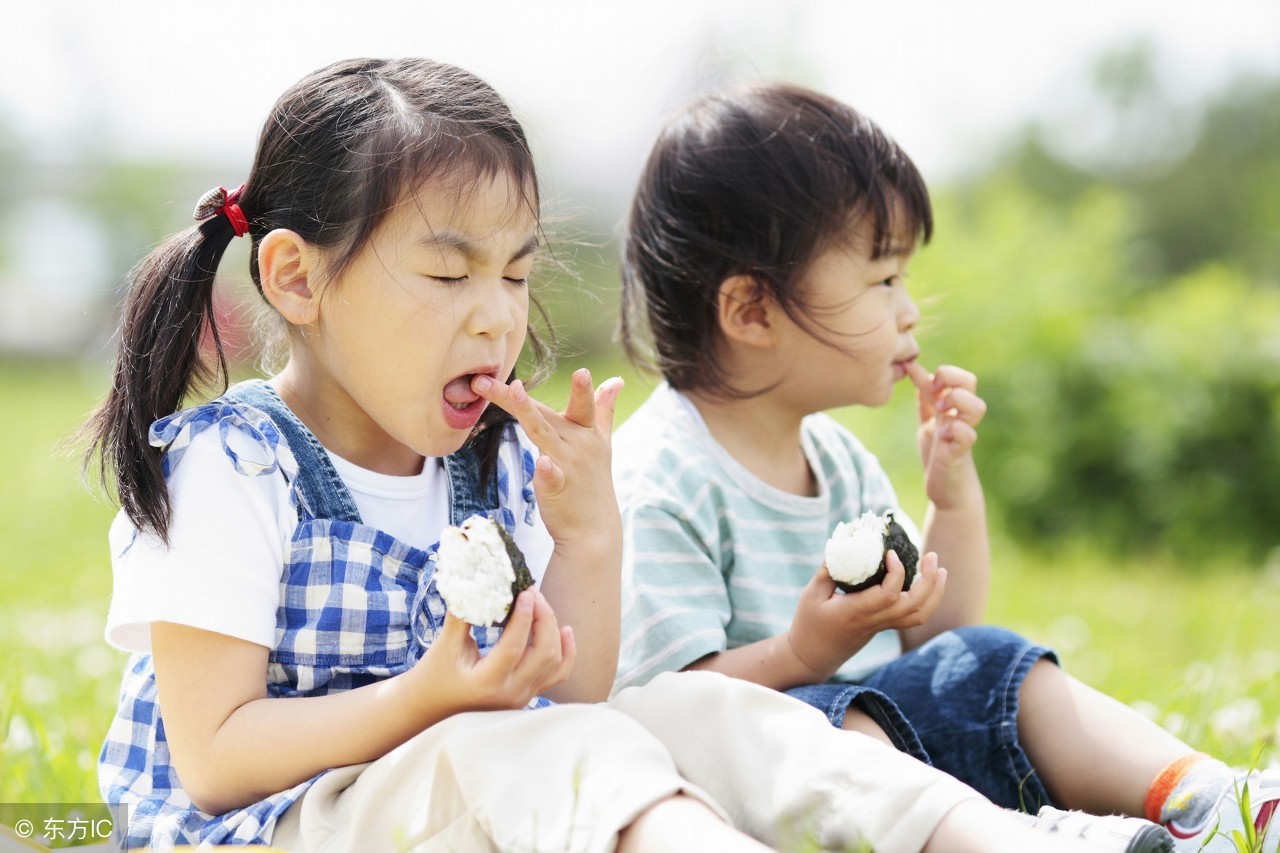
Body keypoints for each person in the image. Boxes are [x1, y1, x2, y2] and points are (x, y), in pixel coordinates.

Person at [79, 58, 1118, 853]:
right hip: (277, 822)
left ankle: (987, 838)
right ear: (297, 280)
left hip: (462, 782)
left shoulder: (484, 465)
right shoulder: (234, 468)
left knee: (699, 706)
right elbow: (217, 759)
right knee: (529, 750)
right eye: (448, 274)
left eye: (515, 273)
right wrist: (428, 697)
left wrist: (585, 534)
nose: (497, 316)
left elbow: (574, 694)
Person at [612, 80, 1279, 853]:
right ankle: (1025, 837)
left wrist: (951, 496)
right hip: (784, 779)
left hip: (900, 759)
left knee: (989, 661)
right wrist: (802, 655)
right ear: (752, 311)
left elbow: (938, 635)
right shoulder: (662, 477)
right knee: (829, 716)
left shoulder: (835, 457)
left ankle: (1210, 802)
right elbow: (673, 710)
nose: (909, 310)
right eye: (882, 278)